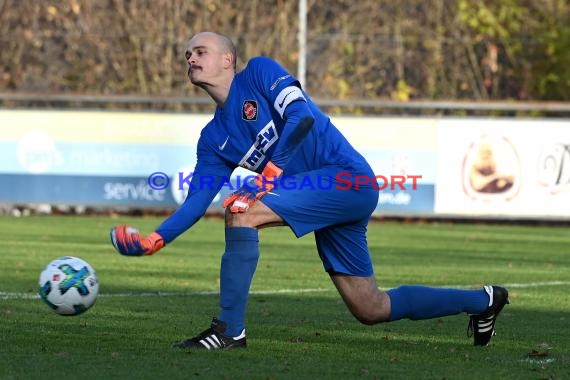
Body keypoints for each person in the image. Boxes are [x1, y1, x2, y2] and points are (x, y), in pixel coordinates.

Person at [110, 31, 509, 350]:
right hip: (321, 196)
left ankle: (229, 331)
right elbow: (196, 202)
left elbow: (300, 116)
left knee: (240, 208)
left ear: (228, 59)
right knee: (370, 307)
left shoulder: (260, 74)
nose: (191, 59)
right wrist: (155, 240)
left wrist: (268, 176)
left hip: (346, 179)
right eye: (187, 55)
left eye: (200, 50)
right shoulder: (213, 138)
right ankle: (484, 300)